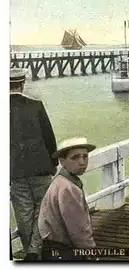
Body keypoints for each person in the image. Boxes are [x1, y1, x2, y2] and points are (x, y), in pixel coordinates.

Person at [10, 68, 58, 261]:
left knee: (23, 213)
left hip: (14, 173)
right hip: (41, 169)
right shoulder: (36, 105)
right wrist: (54, 162)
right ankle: (34, 252)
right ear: (23, 84)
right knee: (42, 209)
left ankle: (31, 253)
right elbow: (49, 138)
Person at [38, 137, 97, 261]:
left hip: (52, 247)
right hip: (62, 251)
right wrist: (91, 252)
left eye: (85, 156)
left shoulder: (61, 181)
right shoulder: (68, 188)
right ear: (62, 161)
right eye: (75, 157)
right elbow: (77, 228)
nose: (82, 162)